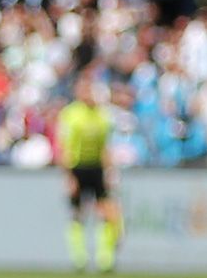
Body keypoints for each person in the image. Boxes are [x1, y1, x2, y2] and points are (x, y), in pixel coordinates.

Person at [57, 77, 122, 273]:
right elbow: (65, 147)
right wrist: (69, 176)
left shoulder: (102, 115)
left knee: (105, 211)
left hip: (96, 168)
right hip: (77, 168)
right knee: (78, 212)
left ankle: (105, 258)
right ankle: (79, 257)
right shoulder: (71, 114)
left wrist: (109, 171)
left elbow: (105, 147)